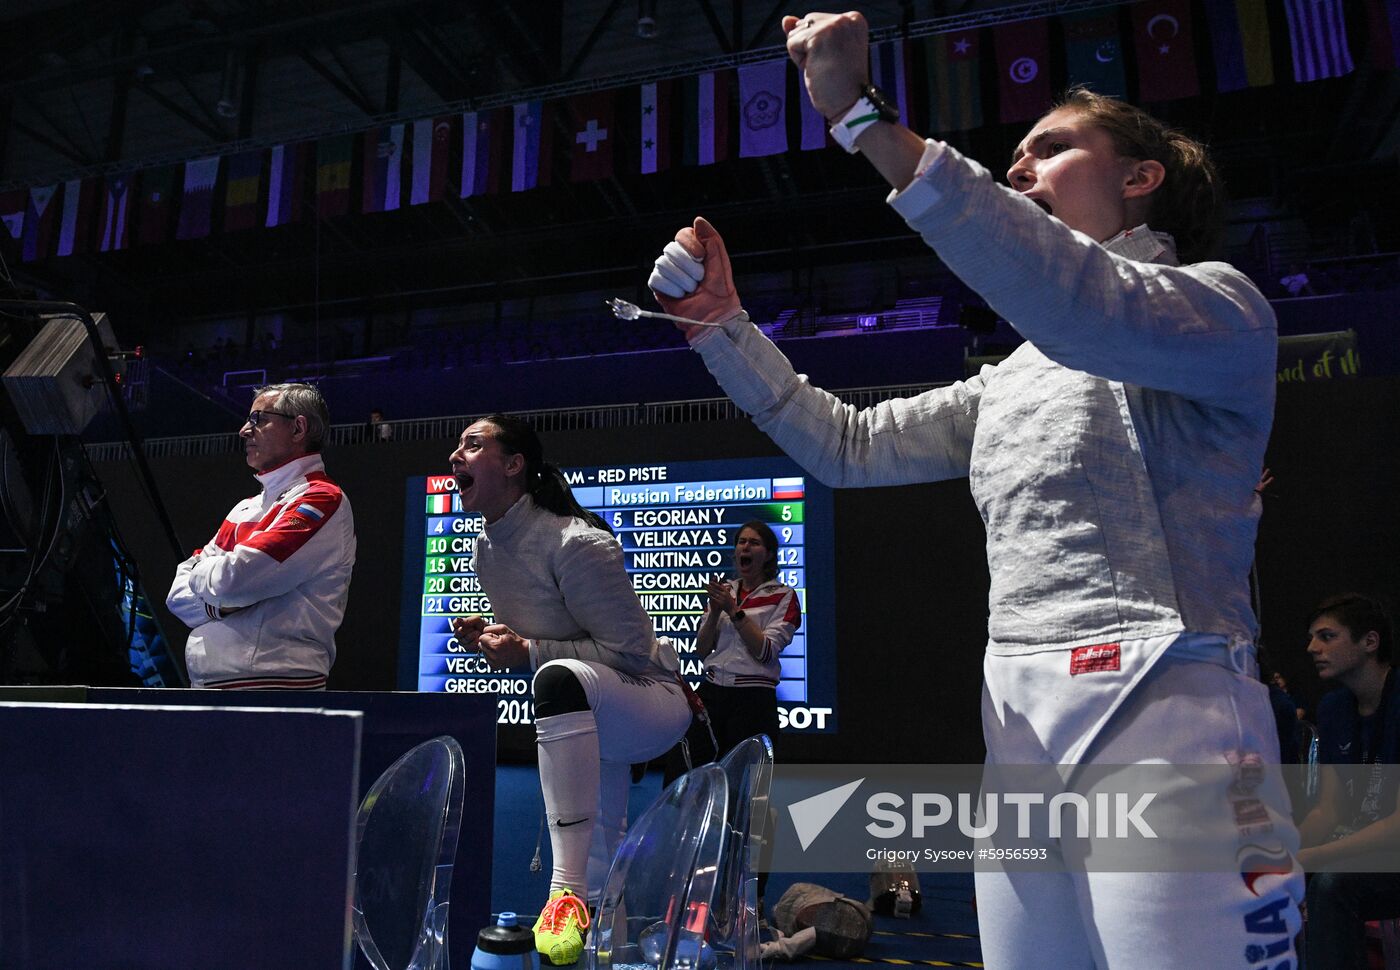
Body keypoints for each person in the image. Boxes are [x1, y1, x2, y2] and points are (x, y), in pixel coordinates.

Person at [647, 11, 1301, 967]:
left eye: (1052, 148)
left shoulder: (1219, 308)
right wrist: (721, 329)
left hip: (1173, 717)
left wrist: (865, 119)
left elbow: (1084, 304)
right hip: (1020, 725)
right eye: (1016, 156)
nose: (1021, 168)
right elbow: (846, 444)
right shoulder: (1015, 379)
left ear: (1140, 177)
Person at [448, 414, 691, 966]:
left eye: (472, 445)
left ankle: (564, 893)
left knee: (555, 679)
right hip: (590, 706)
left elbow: (630, 655)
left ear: (514, 466)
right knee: (605, 851)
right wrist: (491, 642)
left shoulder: (577, 544)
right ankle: (608, 944)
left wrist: (530, 653)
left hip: (651, 700)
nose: (454, 456)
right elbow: (543, 645)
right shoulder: (489, 549)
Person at [166, 382, 355, 689]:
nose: (244, 430)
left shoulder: (321, 499)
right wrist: (225, 602)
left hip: (275, 691)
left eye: (258, 419)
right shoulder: (245, 508)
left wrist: (210, 583)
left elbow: (234, 580)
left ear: (298, 428)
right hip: (208, 688)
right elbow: (176, 597)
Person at [1298, 593, 1400, 968]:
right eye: (1312, 638)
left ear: (1369, 642)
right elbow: (1329, 808)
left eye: (1327, 637)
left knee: (1331, 882)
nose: (1312, 648)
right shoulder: (1334, 708)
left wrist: (1312, 856)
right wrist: (1283, 853)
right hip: (1367, 851)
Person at [665, 520, 800, 783]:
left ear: (769, 554)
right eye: (741, 541)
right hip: (714, 690)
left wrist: (733, 611)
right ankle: (681, 820)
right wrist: (715, 612)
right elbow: (702, 650)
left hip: (754, 698)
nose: (745, 547)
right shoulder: (725, 592)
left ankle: (739, 825)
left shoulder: (784, 596)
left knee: (743, 780)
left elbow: (765, 652)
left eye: (754, 542)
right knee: (684, 763)